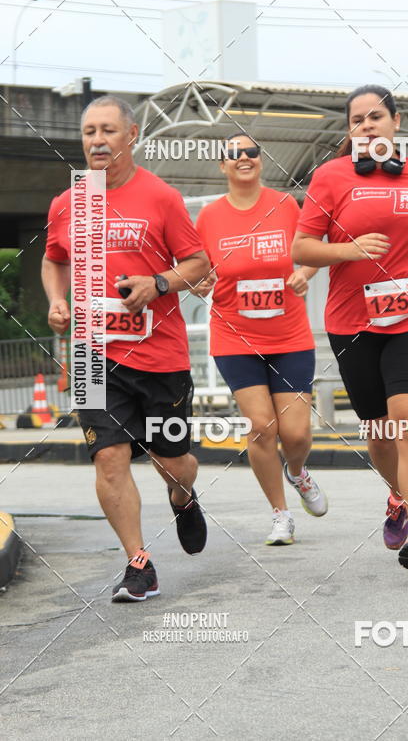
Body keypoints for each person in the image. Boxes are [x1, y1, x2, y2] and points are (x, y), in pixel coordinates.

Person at [292, 85, 408, 582]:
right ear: (349, 130)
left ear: (396, 122)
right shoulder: (331, 177)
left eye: (375, 116)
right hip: (354, 320)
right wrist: (349, 251)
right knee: (380, 434)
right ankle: (397, 493)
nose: (367, 126)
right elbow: (303, 248)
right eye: (357, 120)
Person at [42, 95, 211, 602]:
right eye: (89, 131)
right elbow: (54, 259)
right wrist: (56, 300)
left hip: (159, 355)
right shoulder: (67, 202)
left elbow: (198, 262)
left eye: (108, 131)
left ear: (130, 136)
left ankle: (183, 496)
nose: (97, 140)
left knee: (172, 461)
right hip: (95, 353)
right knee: (109, 458)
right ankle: (139, 563)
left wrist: (158, 284)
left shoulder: (160, 196)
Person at [192, 133, 327, 545]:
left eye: (252, 152)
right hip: (235, 337)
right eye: (234, 153)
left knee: (297, 435)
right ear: (223, 165)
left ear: (261, 161)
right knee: (262, 429)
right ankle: (280, 513)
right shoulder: (209, 217)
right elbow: (196, 269)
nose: (244, 158)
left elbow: (312, 250)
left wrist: (304, 274)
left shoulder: (286, 206)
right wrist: (199, 282)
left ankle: (298, 472)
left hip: (289, 335)